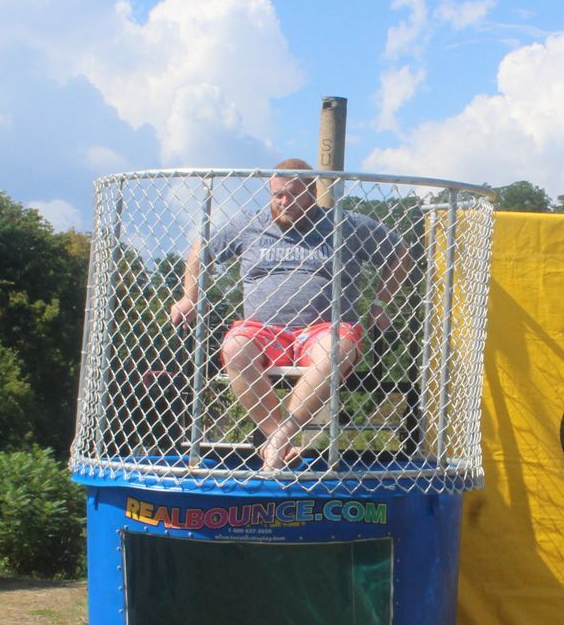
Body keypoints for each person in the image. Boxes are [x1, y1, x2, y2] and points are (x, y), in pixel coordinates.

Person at [170, 159, 412, 470]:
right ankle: (277, 437)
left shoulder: (345, 224)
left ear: (312, 192)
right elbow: (200, 250)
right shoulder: (249, 224)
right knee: (233, 347)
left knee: (338, 347)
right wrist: (189, 297)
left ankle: (284, 434)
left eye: (294, 194)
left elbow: (400, 252)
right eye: (278, 195)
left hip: (323, 330)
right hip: (263, 331)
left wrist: (381, 303)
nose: (285, 202)